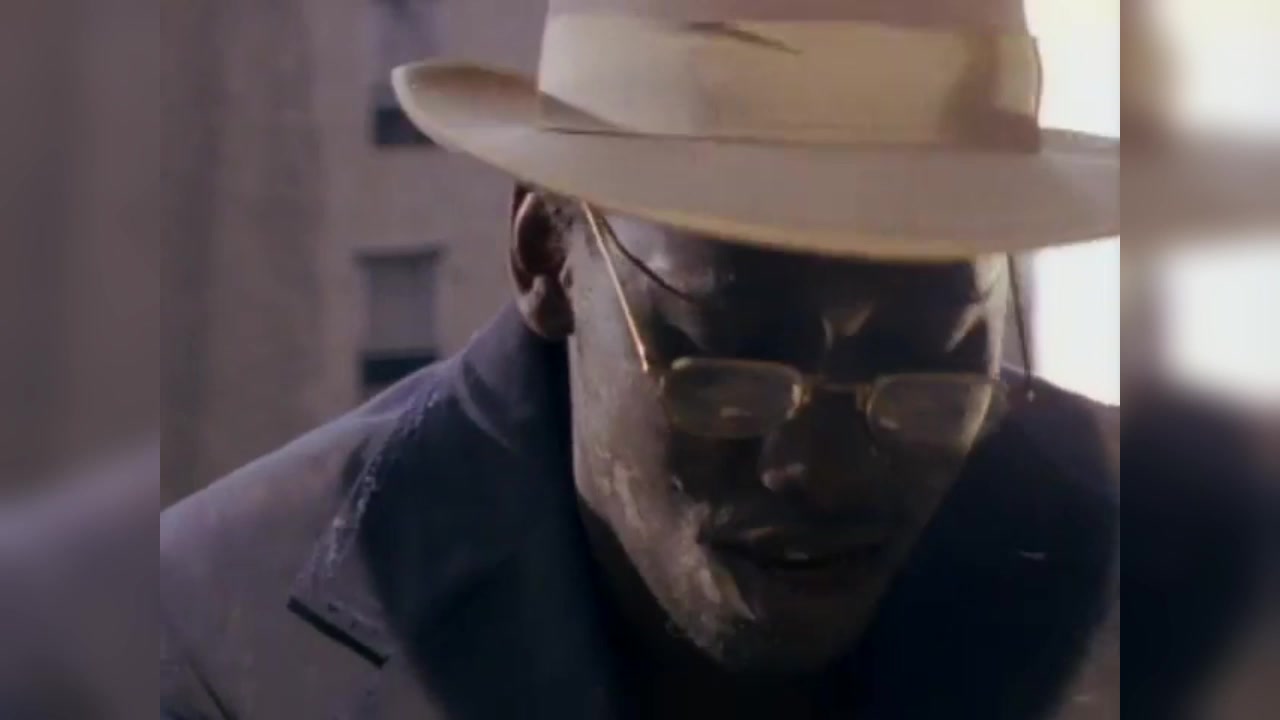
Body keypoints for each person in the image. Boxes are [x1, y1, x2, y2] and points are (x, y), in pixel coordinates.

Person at [162, 1, 1119, 718]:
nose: (823, 470)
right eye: (732, 364)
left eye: (926, 363)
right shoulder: (212, 644)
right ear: (546, 255)